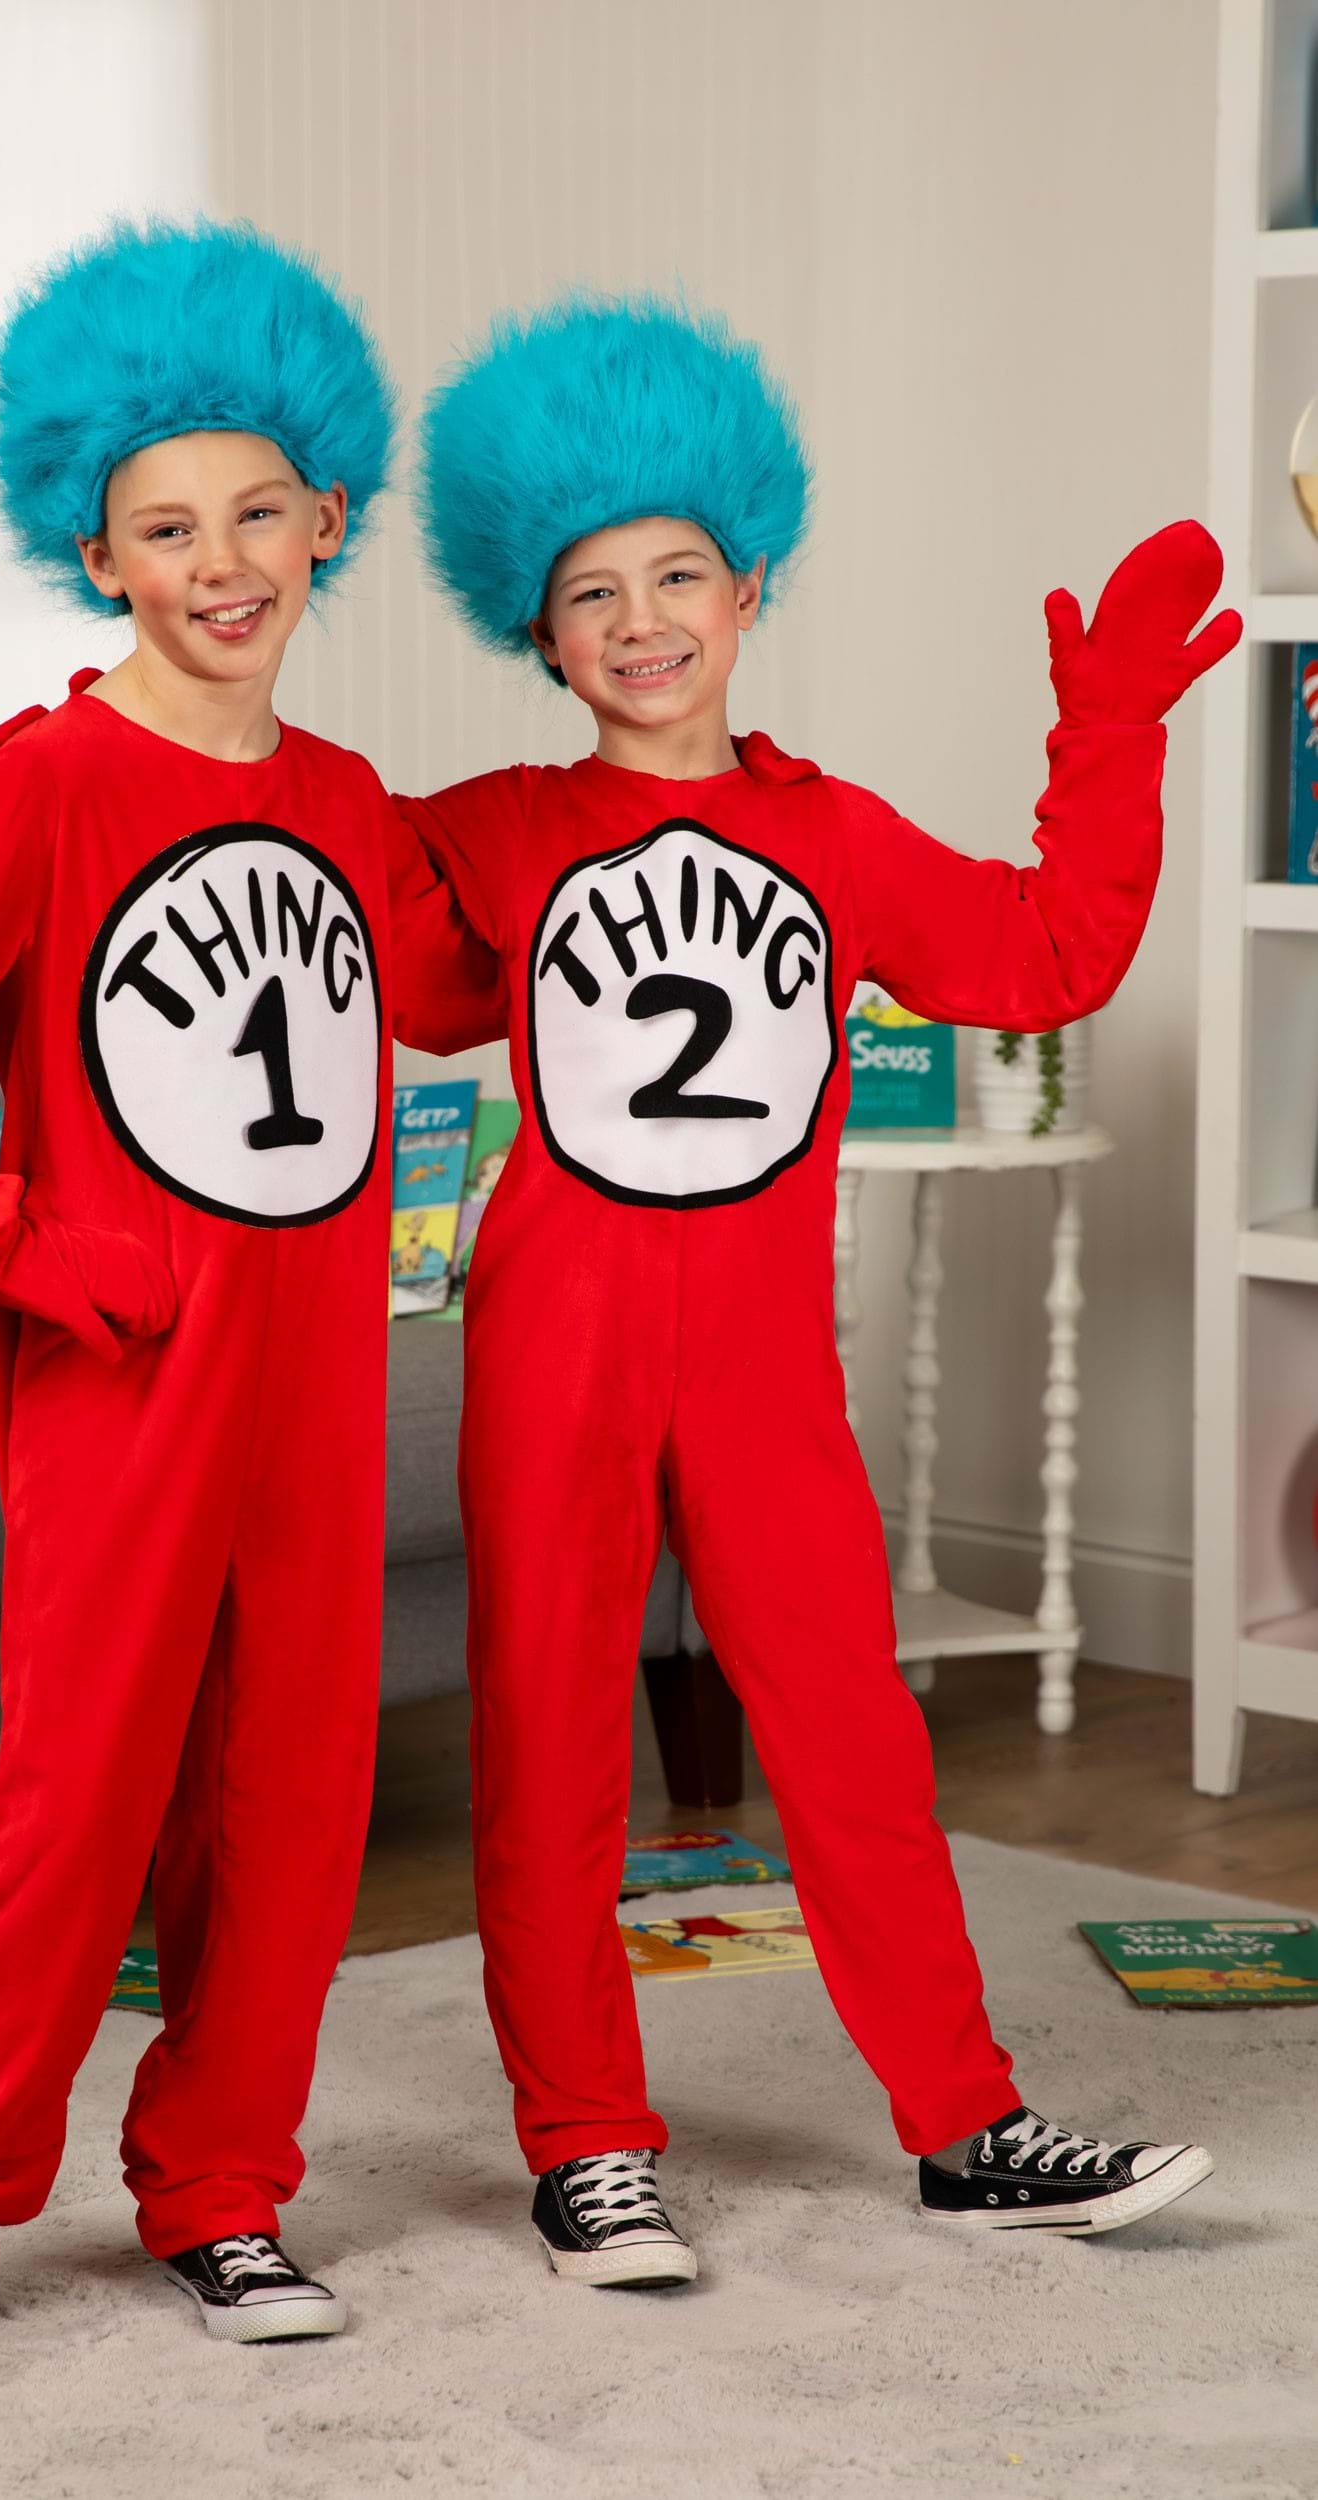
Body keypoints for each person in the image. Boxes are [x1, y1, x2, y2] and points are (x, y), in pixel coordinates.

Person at [397, 290, 1240, 2287]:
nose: (639, 621)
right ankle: (585, 2144)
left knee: (851, 1732)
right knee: (543, 1741)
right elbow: (360, 958)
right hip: (556, 1338)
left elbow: (1043, 956)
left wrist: (1108, 734)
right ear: (538, 633)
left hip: (762, 1355)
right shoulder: (490, 830)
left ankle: (963, 2124)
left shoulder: (830, 832)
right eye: (588, 592)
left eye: (675, 573)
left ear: (749, 582)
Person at [0, 218, 496, 2386]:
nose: (219, 562)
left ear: (328, 520)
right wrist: (25, 1249)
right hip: (122, 1377)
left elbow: (463, 989)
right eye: (167, 528)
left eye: (256, 514)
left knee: (290, 1802)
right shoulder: (49, 780)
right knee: (76, 1804)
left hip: (314, 1380)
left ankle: (223, 2188)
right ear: (94, 554)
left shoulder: (346, 800)